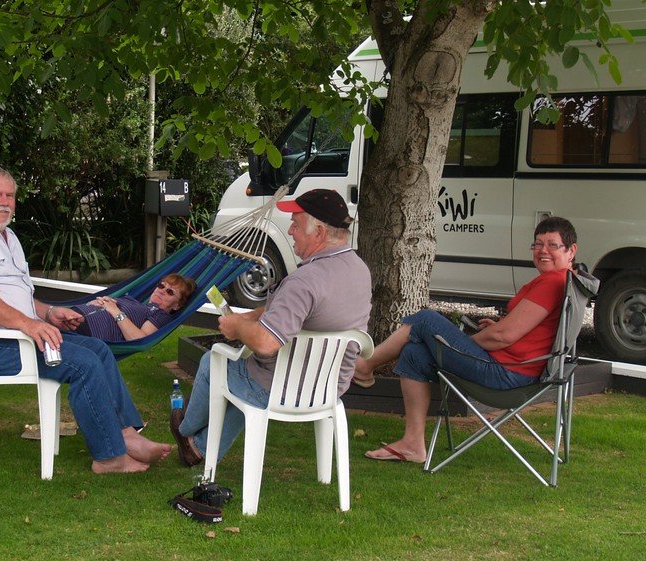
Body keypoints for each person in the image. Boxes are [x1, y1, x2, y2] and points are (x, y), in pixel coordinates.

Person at [0, 164, 171, 474]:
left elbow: (16, 296)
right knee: (84, 364)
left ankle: (126, 436)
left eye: (10, 195)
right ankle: (109, 458)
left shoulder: (7, 236)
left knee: (98, 348)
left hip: (18, 336)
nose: (4, 201)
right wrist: (29, 324)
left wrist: (47, 313)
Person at [170, 189, 372, 467]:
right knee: (243, 378)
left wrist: (237, 326)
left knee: (214, 361)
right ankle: (199, 447)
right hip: (327, 388)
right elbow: (310, 310)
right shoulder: (358, 269)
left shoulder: (305, 280)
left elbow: (265, 343)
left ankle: (185, 432)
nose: (290, 231)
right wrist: (255, 314)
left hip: (281, 388)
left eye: (296, 225)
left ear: (320, 233)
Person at [354, 216, 578, 463]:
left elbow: (503, 337)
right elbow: (526, 330)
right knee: (414, 354)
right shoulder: (565, 281)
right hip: (519, 372)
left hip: (506, 375)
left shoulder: (552, 282)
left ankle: (365, 366)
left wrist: (465, 342)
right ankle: (412, 444)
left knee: (425, 319)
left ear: (571, 251)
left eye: (552, 245)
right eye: (537, 244)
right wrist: (499, 327)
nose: (543, 251)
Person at [70, 274, 197, 342]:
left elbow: (139, 339)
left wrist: (114, 310)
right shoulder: (135, 301)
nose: (162, 291)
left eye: (170, 292)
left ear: (177, 305)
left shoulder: (161, 315)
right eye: (161, 286)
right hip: (74, 315)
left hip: (85, 330)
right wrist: (96, 302)